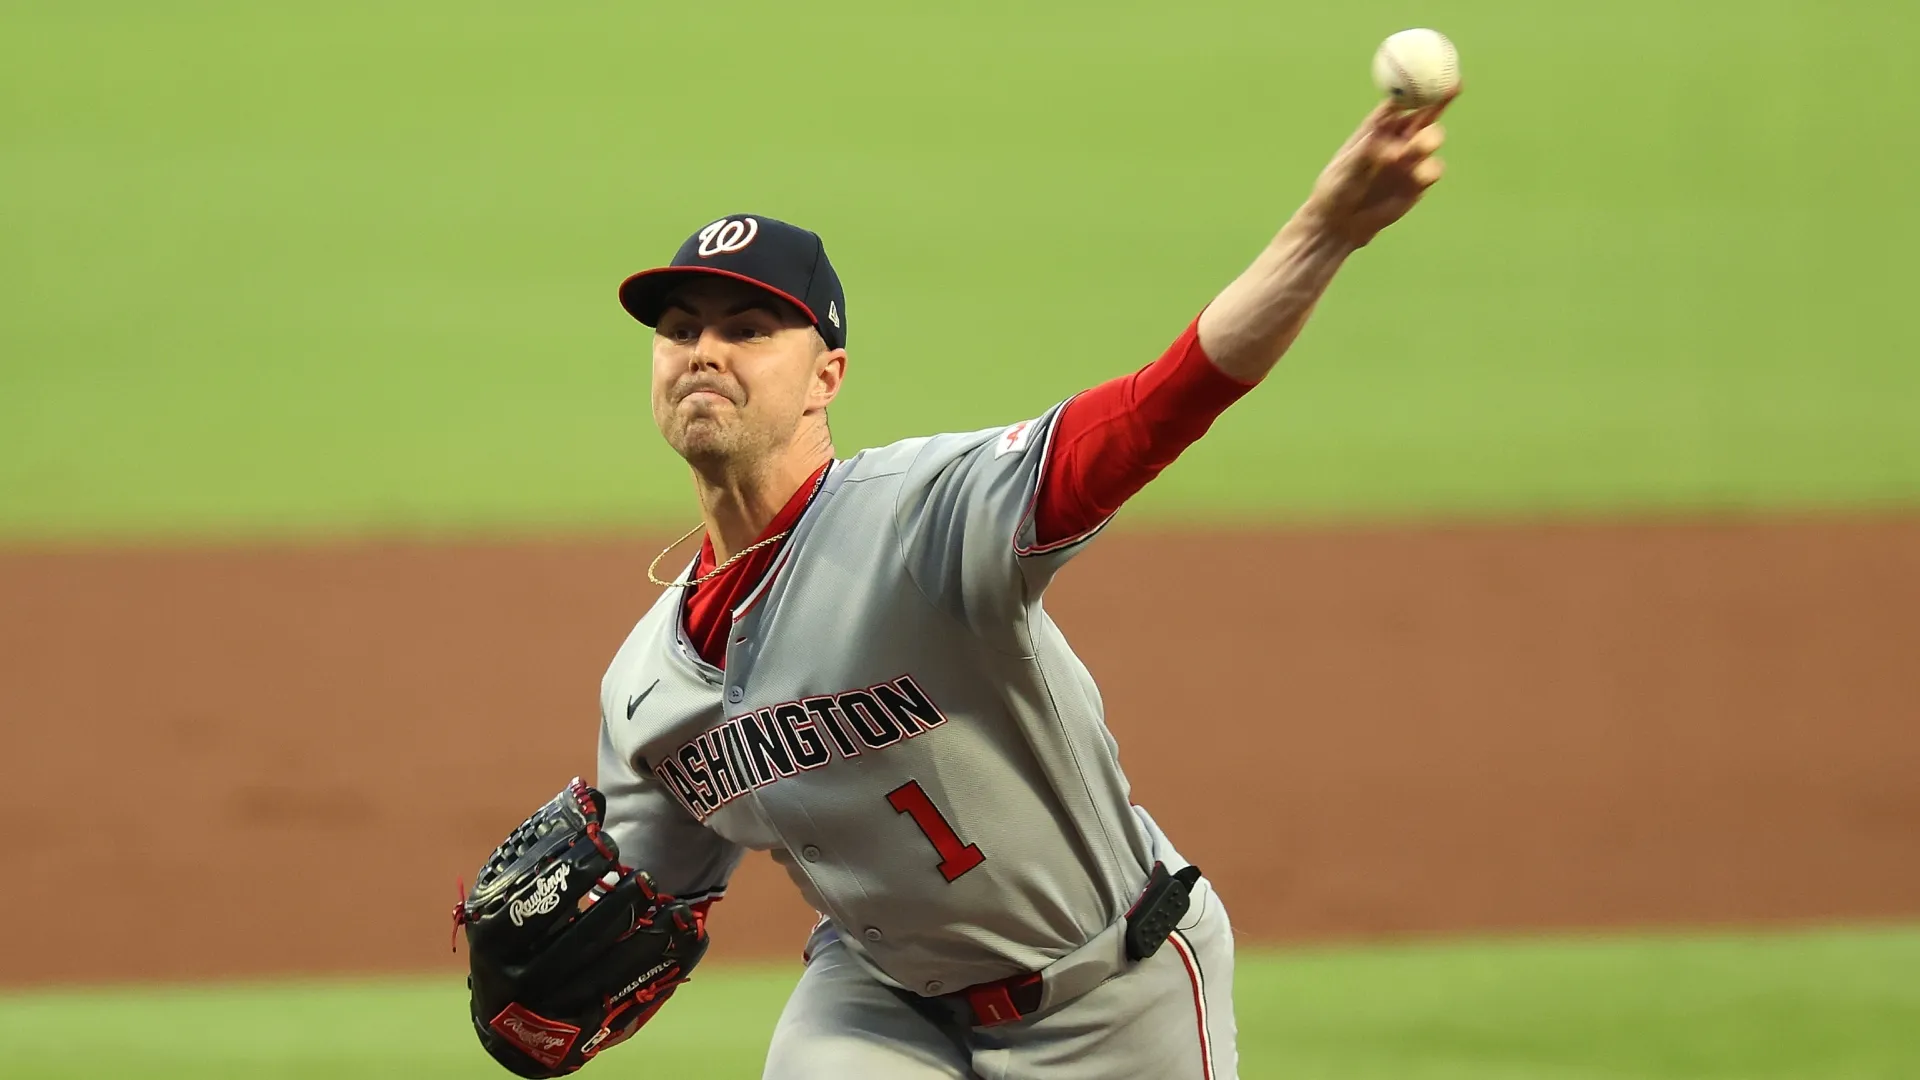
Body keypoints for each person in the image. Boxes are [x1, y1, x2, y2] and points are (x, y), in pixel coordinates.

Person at [596, 94, 1454, 1080]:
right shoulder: (643, 690)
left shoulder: (922, 519)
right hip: (877, 1002)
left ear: (826, 376)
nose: (703, 350)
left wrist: (1322, 234)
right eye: (679, 330)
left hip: (1114, 994)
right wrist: (543, 995)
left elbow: (1150, 411)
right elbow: (641, 908)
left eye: (748, 329)